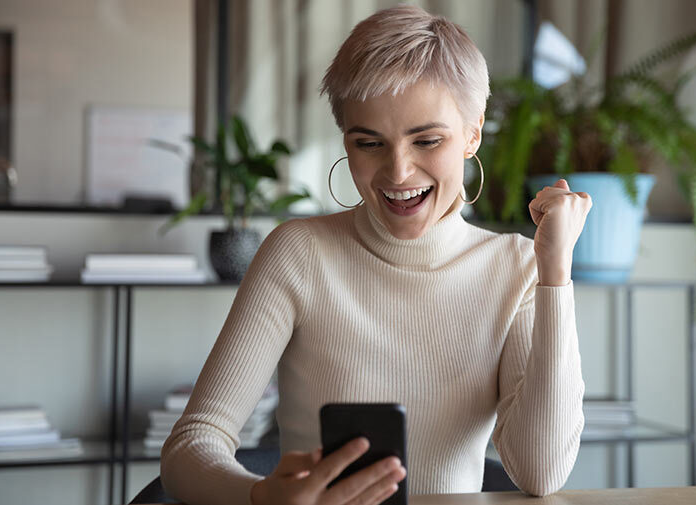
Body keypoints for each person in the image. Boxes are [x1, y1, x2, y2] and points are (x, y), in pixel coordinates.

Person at [160, 5, 592, 505]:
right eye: (369, 143)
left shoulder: (516, 267)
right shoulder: (298, 254)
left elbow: (541, 472)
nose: (398, 172)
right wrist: (261, 498)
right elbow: (191, 446)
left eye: (427, 140)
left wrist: (555, 272)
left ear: (473, 132)